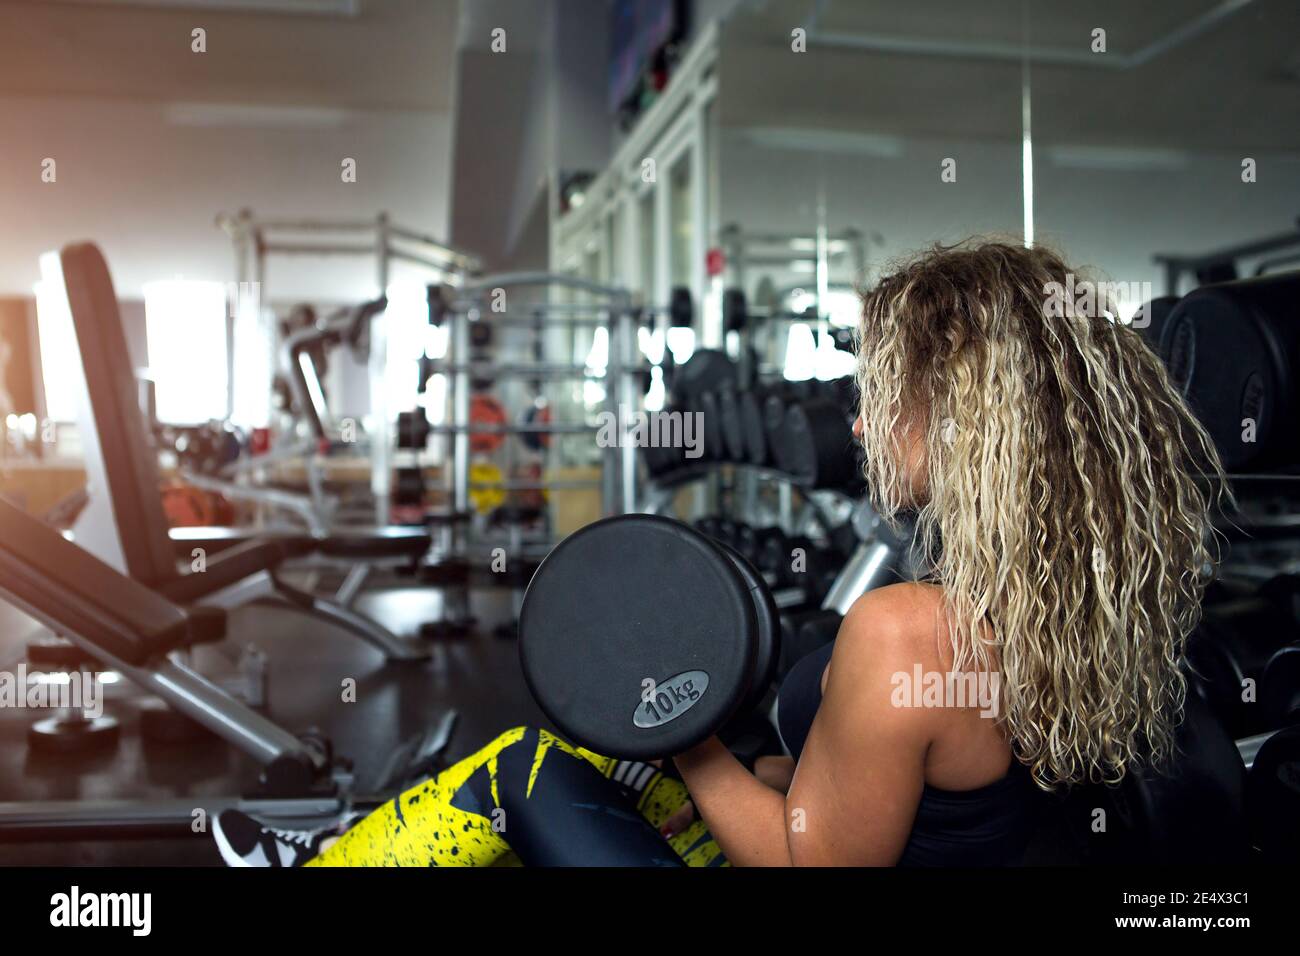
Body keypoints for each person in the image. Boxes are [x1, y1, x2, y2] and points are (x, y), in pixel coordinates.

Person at [215, 239, 1225, 867]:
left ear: (963, 415)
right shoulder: (1092, 601)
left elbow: (807, 862)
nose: (860, 429)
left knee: (520, 770)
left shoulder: (905, 626)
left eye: (881, 397)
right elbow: (926, 801)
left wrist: (676, 722)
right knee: (642, 782)